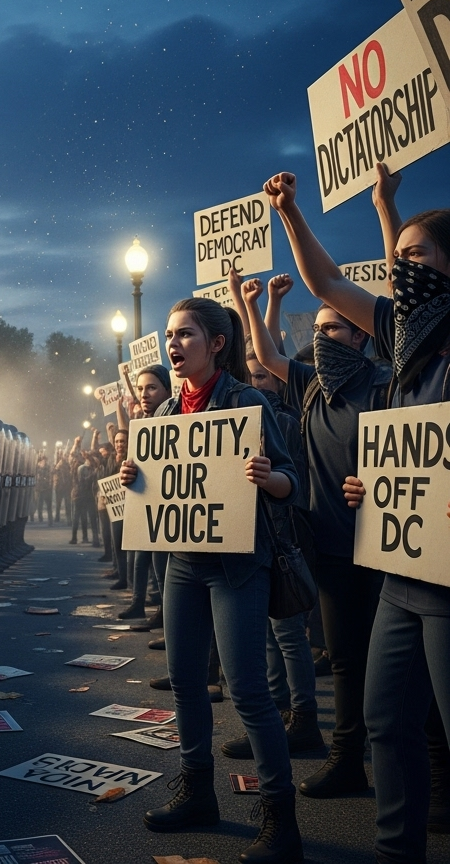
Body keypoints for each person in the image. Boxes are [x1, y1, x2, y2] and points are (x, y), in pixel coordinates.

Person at [267, 166, 450, 864]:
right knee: (384, 722)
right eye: (396, 258)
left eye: (416, 257)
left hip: (447, 577)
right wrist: (290, 213)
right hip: (403, 571)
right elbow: (326, 285)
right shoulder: (404, 341)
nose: (402, 269)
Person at [120, 297, 302, 864]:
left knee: (247, 689)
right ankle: (198, 791)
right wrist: (135, 477)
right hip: (182, 562)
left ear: (217, 343)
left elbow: (293, 479)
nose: (173, 345)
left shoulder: (246, 402)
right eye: (170, 336)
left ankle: (281, 822)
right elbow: (159, 490)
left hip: (236, 565)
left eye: (186, 335)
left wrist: (269, 477)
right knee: (184, 681)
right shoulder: (163, 415)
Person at [241, 271, 386, 794]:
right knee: (345, 660)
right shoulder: (310, 385)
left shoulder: (384, 385)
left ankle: (428, 772)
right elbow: (267, 353)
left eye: (334, 330)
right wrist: (249, 300)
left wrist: (380, 486)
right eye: (318, 330)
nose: (322, 338)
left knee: (391, 663)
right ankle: (348, 760)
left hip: (386, 547)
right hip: (328, 546)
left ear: (362, 338)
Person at [220, 325, 325, 761]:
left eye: (262, 377)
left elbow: (294, 482)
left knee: (287, 633)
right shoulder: (237, 414)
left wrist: (269, 478)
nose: (254, 383)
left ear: (278, 379)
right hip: (248, 537)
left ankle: (303, 717)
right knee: (267, 634)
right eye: (250, 377)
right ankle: (281, 707)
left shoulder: (282, 419)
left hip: (278, 534)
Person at [118, 365, 171, 623]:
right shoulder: (141, 425)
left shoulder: (176, 418)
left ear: (167, 389)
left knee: (162, 567)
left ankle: (165, 616)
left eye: (151, 387)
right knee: (140, 561)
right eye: (140, 389)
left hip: (167, 507)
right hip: (145, 504)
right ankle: (139, 604)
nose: (144, 394)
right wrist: (128, 472)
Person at [35, 453, 52, 524]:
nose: (44, 461)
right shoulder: (37, 467)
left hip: (47, 489)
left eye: (45, 460)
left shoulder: (48, 467)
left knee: (49, 506)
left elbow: (50, 476)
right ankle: (40, 518)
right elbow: (36, 476)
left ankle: (50, 520)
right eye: (43, 460)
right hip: (40, 489)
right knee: (39, 505)